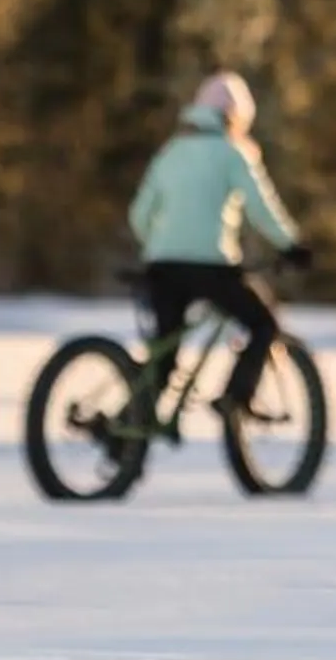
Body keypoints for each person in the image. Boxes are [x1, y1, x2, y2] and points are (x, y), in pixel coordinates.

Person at [128, 72, 309, 432]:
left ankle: (126, 435)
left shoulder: (171, 151)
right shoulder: (232, 152)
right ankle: (236, 397)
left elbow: (139, 215)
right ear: (237, 116)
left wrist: (160, 247)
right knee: (263, 324)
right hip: (211, 266)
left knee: (163, 359)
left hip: (162, 267)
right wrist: (291, 244)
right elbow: (261, 207)